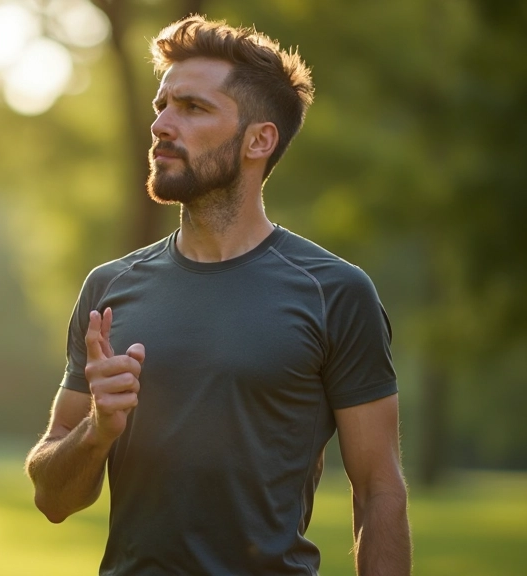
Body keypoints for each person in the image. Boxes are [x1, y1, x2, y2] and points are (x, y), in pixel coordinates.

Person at [24, 15, 411, 576]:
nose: (161, 123)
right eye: (162, 104)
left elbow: (379, 491)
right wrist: (96, 431)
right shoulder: (109, 290)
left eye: (193, 107)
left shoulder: (334, 293)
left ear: (259, 140)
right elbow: (53, 500)